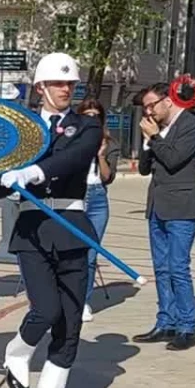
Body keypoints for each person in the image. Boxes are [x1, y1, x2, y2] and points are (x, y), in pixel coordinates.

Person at [0, 52, 103, 388]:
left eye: (70, 84)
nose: (66, 90)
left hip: (72, 225)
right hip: (33, 227)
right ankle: (18, 352)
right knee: (46, 310)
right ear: (41, 87)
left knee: (71, 321)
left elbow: (76, 158)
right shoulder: (22, 129)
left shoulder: (86, 126)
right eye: (58, 84)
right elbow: (1, 170)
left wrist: (35, 170)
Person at [135, 82, 195, 351]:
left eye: (152, 105)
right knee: (161, 268)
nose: (149, 111)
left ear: (168, 101)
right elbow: (144, 169)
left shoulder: (190, 125)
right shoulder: (157, 130)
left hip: (182, 208)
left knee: (178, 267)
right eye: (145, 108)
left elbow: (175, 160)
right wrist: (147, 141)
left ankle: (187, 326)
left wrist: (154, 138)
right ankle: (166, 321)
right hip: (157, 206)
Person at [76, 98, 120, 322]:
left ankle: (83, 301)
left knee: (90, 254)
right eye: (87, 114)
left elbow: (108, 177)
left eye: (96, 115)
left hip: (97, 198)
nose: (91, 119)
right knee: (71, 252)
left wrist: (100, 154)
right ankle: (68, 298)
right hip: (76, 196)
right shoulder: (72, 137)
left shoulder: (109, 143)